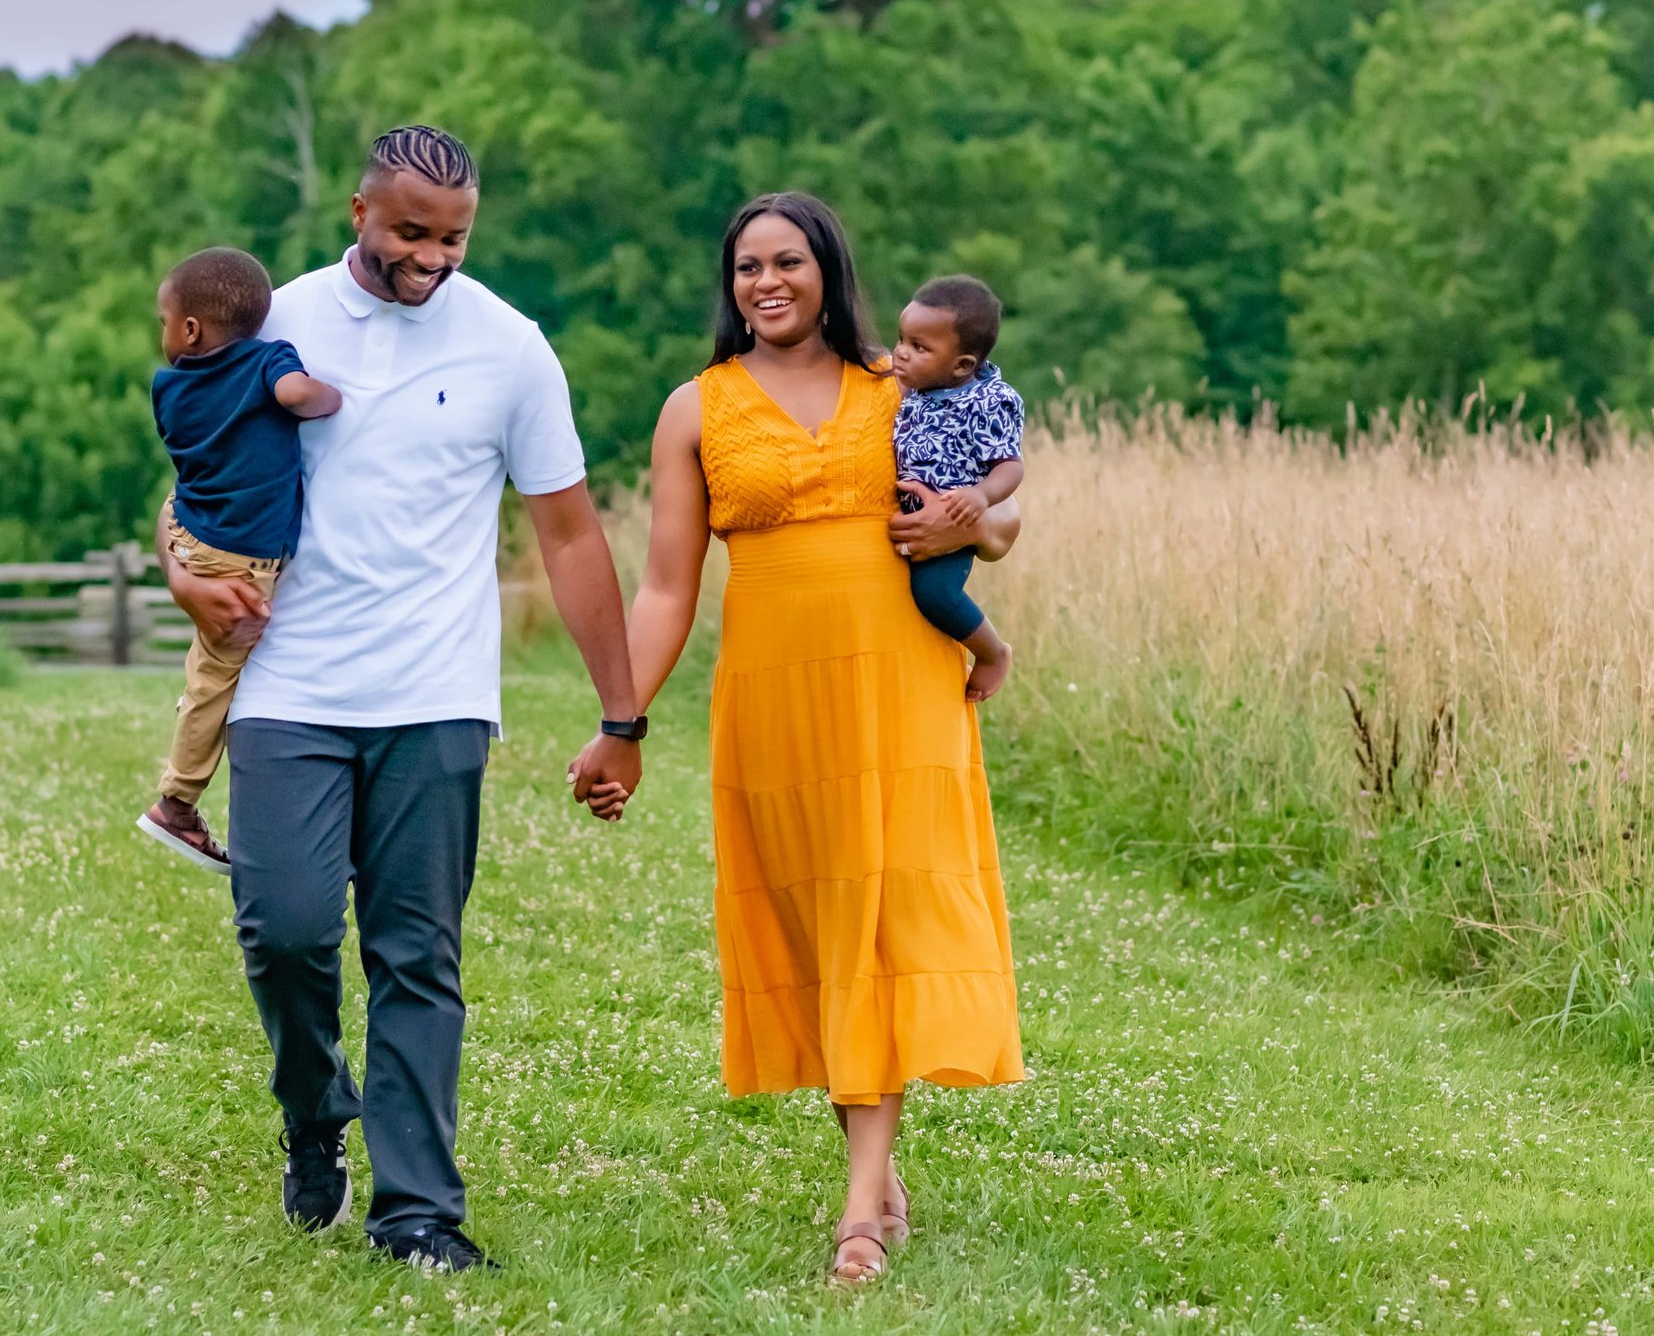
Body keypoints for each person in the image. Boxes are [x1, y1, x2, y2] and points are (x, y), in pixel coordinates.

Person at [162, 125, 643, 1272]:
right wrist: (183, 577)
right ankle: (315, 1106)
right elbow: (197, 474)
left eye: (454, 237)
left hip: (435, 692)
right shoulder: (269, 319)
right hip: (290, 682)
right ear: (357, 212)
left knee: (417, 953)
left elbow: (569, 534)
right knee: (281, 932)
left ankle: (417, 1211)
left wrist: (621, 714)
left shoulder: (511, 348)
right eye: (409, 232)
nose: (431, 257)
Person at [576, 192, 1025, 1284]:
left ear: (827, 268)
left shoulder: (899, 380)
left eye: (786, 261)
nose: (765, 282)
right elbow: (668, 586)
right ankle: (874, 1175)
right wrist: (619, 720)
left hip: (904, 688)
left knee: (889, 915)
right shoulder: (698, 407)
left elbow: (1001, 518)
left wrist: (971, 520)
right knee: (827, 925)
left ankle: (861, 1207)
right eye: (746, 268)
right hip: (777, 698)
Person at [139, 246, 343, 873]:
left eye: (165, 321)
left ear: (192, 330)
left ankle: (183, 781)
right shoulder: (265, 363)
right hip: (239, 562)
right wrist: (332, 396)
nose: (165, 334)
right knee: (213, 681)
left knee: (205, 669)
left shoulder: (168, 388)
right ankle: (177, 803)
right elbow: (296, 395)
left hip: (188, 532)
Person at [888, 274, 1024, 703]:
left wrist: (979, 497)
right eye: (901, 339)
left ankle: (991, 652)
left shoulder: (987, 400)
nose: (900, 353)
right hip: (910, 519)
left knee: (934, 593)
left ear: (963, 364)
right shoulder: (918, 388)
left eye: (918, 347)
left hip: (952, 516)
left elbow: (1010, 465)